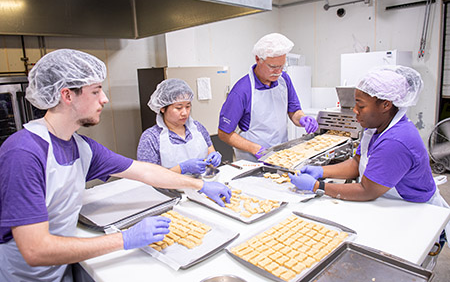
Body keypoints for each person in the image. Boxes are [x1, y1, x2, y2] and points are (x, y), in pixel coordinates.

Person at [0, 49, 231, 282]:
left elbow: (144, 170)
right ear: (67, 95)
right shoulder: (24, 154)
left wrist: (199, 184)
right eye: (96, 91)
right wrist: (124, 239)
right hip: (24, 276)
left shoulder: (81, 146)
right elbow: (35, 250)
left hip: (62, 268)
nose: (105, 99)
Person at [289, 65, 449, 244]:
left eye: (361, 105)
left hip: (414, 213)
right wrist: (321, 171)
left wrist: (318, 186)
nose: (355, 110)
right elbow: (357, 163)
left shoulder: (395, 141)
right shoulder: (376, 128)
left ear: (386, 105)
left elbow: (367, 190)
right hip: (389, 203)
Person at [218, 33, 318, 162]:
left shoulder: (284, 80)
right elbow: (224, 133)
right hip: (252, 159)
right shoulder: (242, 90)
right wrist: (255, 149)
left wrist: (302, 119)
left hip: (281, 154)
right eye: (273, 67)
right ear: (258, 59)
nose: (278, 72)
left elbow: (294, 111)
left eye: (281, 66)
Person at [137, 78, 221, 175]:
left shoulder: (198, 128)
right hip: (170, 189)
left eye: (188, 106)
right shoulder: (150, 138)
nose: (185, 113)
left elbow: (210, 154)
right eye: (179, 107)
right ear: (162, 108)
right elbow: (148, 176)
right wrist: (182, 168)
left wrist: (214, 160)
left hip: (202, 186)